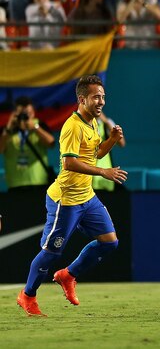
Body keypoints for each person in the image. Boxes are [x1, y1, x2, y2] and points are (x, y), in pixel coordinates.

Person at [16, 75, 128, 317]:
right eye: (96, 97)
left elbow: (94, 153)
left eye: (103, 97)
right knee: (50, 252)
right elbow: (69, 163)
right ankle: (27, 295)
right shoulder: (72, 126)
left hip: (86, 197)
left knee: (110, 242)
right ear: (82, 99)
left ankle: (68, 275)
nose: (101, 102)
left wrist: (111, 140)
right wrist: (103, 172)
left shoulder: (92, 123)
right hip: (65, 199)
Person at [0, 96, 55, 191]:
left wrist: (35, 128)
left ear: (33, 112)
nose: (25, 117)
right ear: (14, 114)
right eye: (21, 114)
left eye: (28, 113)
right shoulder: (7, 131)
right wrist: (9, 128)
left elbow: (51, 143)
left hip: (39, 182)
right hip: (15, 184)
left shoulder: (39, 125)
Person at [93, 112, 127, 191]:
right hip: (88, 177)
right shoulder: (81, 124)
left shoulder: (106, 123)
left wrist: (106, 122)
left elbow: (122, 143)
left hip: (106, 176)